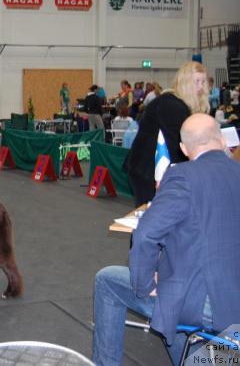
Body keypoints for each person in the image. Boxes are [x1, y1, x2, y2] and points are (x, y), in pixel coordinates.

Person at [92, 113, 240, 366]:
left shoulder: (183, 177)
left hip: (206, 303)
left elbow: (147, 233)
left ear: (183, 148)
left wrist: (145, 282)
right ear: (223, 141)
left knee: (106, 280)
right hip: (233, 303)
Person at [124, 61, 210, 206]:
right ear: (185, 82)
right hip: (147, 170)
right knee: (152, 216)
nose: (201, 87)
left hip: (156, 167)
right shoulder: (171, 105)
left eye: (203, 82)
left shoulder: (179, 104)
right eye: (196, 82)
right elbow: (178, 144)